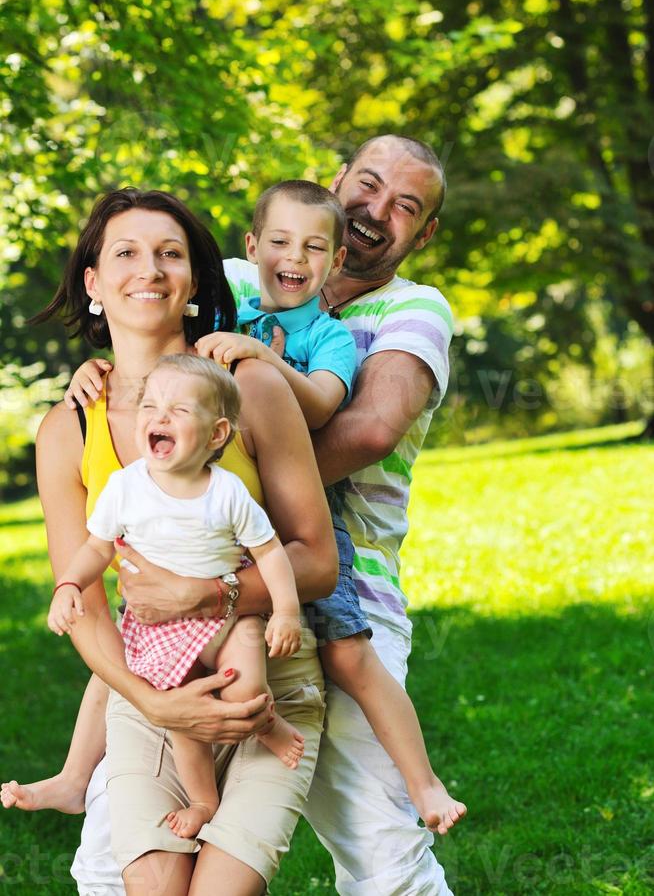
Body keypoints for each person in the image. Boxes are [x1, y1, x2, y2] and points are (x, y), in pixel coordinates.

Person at [15, 134, 457, 894]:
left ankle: (419, 793)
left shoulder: (374, 326)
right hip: (159, 648)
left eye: (406, 205)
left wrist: (205, 521)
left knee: (381, 855)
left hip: (321, 605)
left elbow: (369, 435)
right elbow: (84, 588)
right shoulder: (236, 294)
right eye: (369, 185)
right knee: (107, 869)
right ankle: (80, 775)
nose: (376, 211)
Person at [1, 188, 335, 896]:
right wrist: (150, 702)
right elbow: (84, 599)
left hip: (265, 687)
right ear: (93, 283)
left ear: (192, 281)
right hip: (149, 691)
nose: (148, 269)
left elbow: (316, 557)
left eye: (169, 254)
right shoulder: (68, 429)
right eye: (125, 253)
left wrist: (206, 593)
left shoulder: (250, 389)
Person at [199, 178, 465, 834]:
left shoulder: (330, 335)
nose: (295, 257)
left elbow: (321, 403)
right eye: (281, 243)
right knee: (168, 648)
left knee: (347, 652)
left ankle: (425, 783)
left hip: (311, 515)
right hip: (216, 518)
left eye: (315, 247)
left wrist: (264, 359)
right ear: (252, 246)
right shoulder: (225, 296)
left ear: (334, 261)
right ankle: (172, 791)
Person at [47, 354, 305, 840]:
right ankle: (204, 800)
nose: (159, 417)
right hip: (162, 627)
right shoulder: (125, 488)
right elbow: (95, 548)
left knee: (246, 690)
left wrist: (286, 611)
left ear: (216, 434)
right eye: (150, 406)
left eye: (179, 411)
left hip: (231, 618)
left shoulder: (226, 492)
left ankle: (270, 727)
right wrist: (68, 585)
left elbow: (270, 553)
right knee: (187, 716)